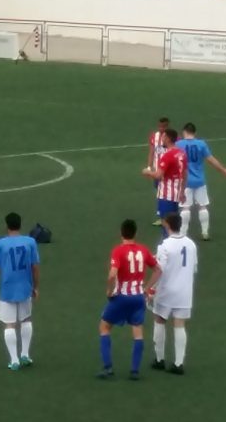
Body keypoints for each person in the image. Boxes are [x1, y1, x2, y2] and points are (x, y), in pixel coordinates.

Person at [97, 219, 161, 380]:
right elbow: (158, 270)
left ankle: (108, 367)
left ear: (121, 233)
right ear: (136, 233)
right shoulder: (143, 250)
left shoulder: (118, 251)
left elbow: (112, 274)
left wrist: (109, 290)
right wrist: (146, 288)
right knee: (138, 332)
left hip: (121, 297)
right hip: (138, 297)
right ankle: (134, 371)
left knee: (104, 327)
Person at [0, 212, 40, 371]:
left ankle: (14, 359)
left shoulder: (0, 244)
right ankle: (25, 354)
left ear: (6, 226)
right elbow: (35, 267)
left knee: (9, 324)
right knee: (26, 319)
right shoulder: (30, 242)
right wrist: (36, 287)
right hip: (25, 287)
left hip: (7, 289)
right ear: (20, 225)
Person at [149, 213, 197, 375]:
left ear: (167, 225)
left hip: (166, 290)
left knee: (160, 320)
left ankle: (160, 359)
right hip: (185, 291)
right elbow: (194, 267)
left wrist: (150, 287)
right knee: (180, 324)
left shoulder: (165, 245)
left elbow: (159, 269)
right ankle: (178, 363)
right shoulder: (191, 244)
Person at [175, 123, 226, 240]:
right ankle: (205, 232)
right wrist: (224, 170)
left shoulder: (178, 145)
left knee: (185, 208)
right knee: (203, 206)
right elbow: (211, 160)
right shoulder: (201, 144)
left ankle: (182, 233)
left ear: (184, 132)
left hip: (185, 181)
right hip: (200, 181)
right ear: (194, 132)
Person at [142, 129, 186, 238]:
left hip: (166, 195)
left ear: (168, 138)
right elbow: (184, 174)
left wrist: (147, 172)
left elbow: (158, 175)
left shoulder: (167, 155)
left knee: (166, 225)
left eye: (164, 136)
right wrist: (182, 191)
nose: (162, 138)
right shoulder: (181, 153)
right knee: (174, 224)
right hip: (176, 194)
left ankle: (165, 251)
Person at [146, 117, 170, 226]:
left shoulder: (172, 137)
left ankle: (168, 216)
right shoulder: (154, 137)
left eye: (163, 126)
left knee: (168, 193)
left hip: (169, 171)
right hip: (157, 171)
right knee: (160, 193)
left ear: (167, 126)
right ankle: (161, 216)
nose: (161, 128)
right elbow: (151, 153)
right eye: (159, 126)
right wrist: (149, 167)